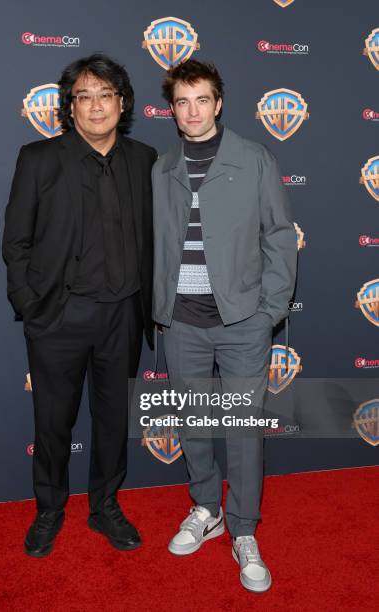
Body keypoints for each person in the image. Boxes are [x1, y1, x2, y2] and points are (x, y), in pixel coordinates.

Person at [152, 59, 297, 592]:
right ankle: (206, 508)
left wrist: (268, 312)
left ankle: (243, 530)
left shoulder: (253, 159)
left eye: (202, 100)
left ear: (219, 103)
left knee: (240, 430)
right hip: (183, 322)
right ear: (172, 109)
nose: (192, 111)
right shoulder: (161, 168)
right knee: (193, 423)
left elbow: (280, 237)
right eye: (182, 102)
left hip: (241, 322)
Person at [2, 54, 157, 557]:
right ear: (69, 107)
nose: (95, 106)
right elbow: (16, 242)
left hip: (123, 315)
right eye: (84, 96)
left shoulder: (146, 159)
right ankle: (49, 509)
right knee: (52, 422)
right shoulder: (38, 159)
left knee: (114, 421)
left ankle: (105, 506)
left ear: (123, 102)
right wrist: (30, 304)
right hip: (59, 316)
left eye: (105, 95)